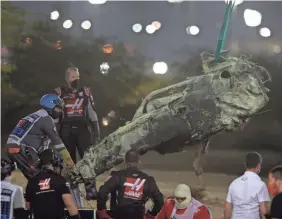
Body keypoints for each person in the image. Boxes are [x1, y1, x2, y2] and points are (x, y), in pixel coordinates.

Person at [54, 67, 100, 200]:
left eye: (77, 76)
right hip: (66, 130)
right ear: (67, 79)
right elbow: (55, 116)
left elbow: (92, 113)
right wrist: (54, 134)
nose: (76, 79)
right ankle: (72, 189)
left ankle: (90, 190)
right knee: (69, 162)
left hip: (83, 129)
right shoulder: (59, 92)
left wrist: (97, 133)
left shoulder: (85, 91)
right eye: (73, 77)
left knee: (88, 160)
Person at [6, 94, 75, 179]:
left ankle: (32, 192)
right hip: (23, 149)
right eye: (58, 108)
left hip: (15, 148)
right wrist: (69, 162)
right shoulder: (45, 118)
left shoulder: (36, 115)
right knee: (41, 179)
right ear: (50, 105)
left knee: (35, 178)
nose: (60, 111)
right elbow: (58, 143)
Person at [97, 149, 164, 219]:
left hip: (118, 215)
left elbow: (102, 192)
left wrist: (102, 211)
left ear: (125, 161)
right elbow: (159, 200)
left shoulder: (117, 176)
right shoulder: (148, 180)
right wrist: (151, 214)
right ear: (139, 161)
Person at [25, 149, 80, 219]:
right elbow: (69, 205)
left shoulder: (32, 182)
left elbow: (28, 206)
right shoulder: (60, 180)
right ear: (54, 164)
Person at [224, 152, 270, 219]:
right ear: (258, 165)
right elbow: (264, 211)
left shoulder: (234, 183)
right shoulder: (260, 185)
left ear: (245, 164)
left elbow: (227, 210)